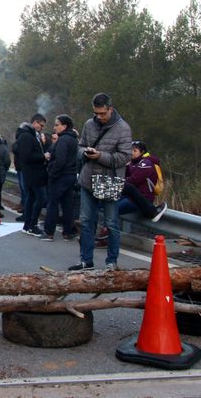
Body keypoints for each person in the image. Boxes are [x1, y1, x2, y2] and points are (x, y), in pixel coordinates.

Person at [70, 93, 132, 272]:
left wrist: (101, 156)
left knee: (111, 223)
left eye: (102, 113)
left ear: (110, 109)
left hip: (109, 179)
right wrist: (84, 152)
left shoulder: (123, 128)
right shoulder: (89, 125)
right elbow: (80, 145)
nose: (99, 117)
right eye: (96, 113)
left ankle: (111, 262)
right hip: (88, 178)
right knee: (86, 221)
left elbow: (125, 156)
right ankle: (86, 260)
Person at [39, 115, 78, 241]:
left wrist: (52, 172)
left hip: (60, 176)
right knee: (67, 205)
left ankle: (49, 232)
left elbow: (60, 160)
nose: (54, 127)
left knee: (53, 204)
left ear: (64, 126)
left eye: (57, 125)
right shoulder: (73, 139)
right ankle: (68, 231)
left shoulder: (63, 140)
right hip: (70, 175)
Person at [15, 114, 49, 236]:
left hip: (33, 172)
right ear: (35, 122)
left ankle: (27, 225)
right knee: (41, 198)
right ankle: (32, 224)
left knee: (31, 198)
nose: (42, 128)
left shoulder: (32, 135)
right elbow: (26, 156)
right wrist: (43, 156)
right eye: (41, 125)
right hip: (33, 173)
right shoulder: (26, 136)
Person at [119, 140, 168, 221]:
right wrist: (126, 167)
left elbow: (133, 180)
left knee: (112, 210)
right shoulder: (133, 163)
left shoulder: (146, 164)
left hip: (142, 199)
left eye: (135, 150)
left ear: (142, 152)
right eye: (130, 150)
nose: (131, 152)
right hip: (130, 197)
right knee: (104, 206)